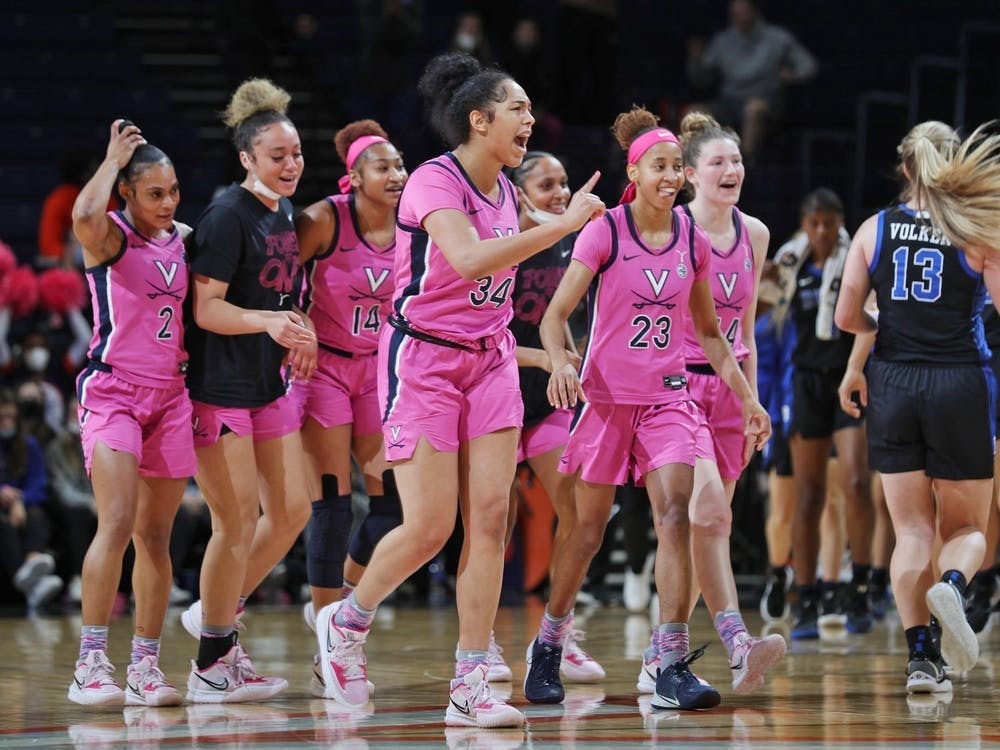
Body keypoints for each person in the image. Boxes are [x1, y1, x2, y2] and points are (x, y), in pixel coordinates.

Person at [314, 52, 604, 728]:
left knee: (493, 522)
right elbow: (470, 256)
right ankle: (347, 624)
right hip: (425, 361)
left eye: (530, 111)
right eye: (518, 109)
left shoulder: (508, 189)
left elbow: (528, 232)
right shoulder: (432, 184)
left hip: (492, 358)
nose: (530, 119)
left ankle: (471, 680)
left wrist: (586, 220)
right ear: (479, 120)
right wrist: (564, 224)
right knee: (428, 527)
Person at [522, 105, 770, 711]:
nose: (670, 177)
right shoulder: (605, 229)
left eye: (676, 168)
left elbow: (712, 334)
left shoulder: (691, 237)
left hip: (668, 399)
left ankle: (669, 661)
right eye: (658, 167)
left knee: (677, 516)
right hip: (606, 401)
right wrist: (559, 362)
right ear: (635, 171)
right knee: (584, 533)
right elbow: (556, 316)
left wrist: (749, 399)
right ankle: (549, 643)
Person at [835, 120, 1000, 694]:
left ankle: (922, 661)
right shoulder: (976, 229)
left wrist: (888, 327)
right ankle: (952, 586)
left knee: (910, 530)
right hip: (959, 380)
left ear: (905, 168)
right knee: (969, 526)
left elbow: (845, 319)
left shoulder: (872, 229)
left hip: (894, 382)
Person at [182, 79, 316, 703]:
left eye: (295, 154)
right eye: (276, 157)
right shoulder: (226, 216)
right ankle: (212, 659)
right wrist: (266, 321)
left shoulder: (284, 211)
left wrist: (300, 328)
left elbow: (280, 296)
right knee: (234, 525)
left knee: (290, 515)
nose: (290, 165)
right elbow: (205, 308)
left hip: (269, 385)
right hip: (221, 389)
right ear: (247, 159)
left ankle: (216, 611)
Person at [67, 119, 192, 706]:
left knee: (156, 538)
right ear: (128, 194)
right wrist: (113, 159)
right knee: (115, 524)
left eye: (172, 192)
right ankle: (91, 662)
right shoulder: (110, 235)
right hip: (115, 392)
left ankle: (145, 665)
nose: (166, 203)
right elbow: (81, 216)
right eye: (154, 193)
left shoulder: (183, 238)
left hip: (171, 397)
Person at [293, 118, 407, 691]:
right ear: (353, 177)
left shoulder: (416, 227)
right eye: (383, 167)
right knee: (334, 505)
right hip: (325, 367)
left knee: (393, 511)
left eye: (400, 166)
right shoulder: (322, 220)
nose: (396, 175)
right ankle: (326, 644)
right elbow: (276, 279)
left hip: (380, 373)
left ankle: (342, 613)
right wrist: (294, 328)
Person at [675, 111, 786, 692]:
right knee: (709, 514)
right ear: (691, 174)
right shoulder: (671, 228)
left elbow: (744, 330)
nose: (731, 170)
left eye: (736, 160)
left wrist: (753, 401)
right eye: (717, 161)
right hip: (678, 388)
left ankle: (660, 656)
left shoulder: (757, 234)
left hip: (731, 392)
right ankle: (738, 644)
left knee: (709, 526)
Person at [761, 188, 874, 639]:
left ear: (841, 222)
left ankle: (858, 589)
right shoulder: (789, 263)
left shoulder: (856, 261)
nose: (823, 231)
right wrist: (761, 282)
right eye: (815, 223)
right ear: (804, 225)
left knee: (856, 484)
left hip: (847, 378)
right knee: (806, 497)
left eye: (830, 223)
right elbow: (757, 309)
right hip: (805, 383)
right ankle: (805, 597)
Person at [507, 150, 603, 683]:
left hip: (547, 397)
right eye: (548, 185)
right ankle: (481, 646)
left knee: (578, 511)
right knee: (492, 525)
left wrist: (570, 360)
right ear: (519, 192)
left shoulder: (568, 241)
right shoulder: (502, 243)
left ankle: (558, 636)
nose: (561, 194)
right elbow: (485, 334)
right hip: (496, 392)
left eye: (565, 183)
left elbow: (561, 319)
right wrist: (544, 357)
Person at [686, 0, 816, 162]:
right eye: (735, 13)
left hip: (765, 102)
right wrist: (696, 61)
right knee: (694, 112)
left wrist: (791, 75)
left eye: (744, 11)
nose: (740, 17)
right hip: (729, 101)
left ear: (755, 11)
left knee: (753, 109)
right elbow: (702, 80)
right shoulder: (723, 41)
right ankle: (698, 166)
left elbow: (808, 65)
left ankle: (744, 165)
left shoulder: (778, 38)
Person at [0, 389, 60, 610]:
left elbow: (40, 483)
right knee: (4, 527)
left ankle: (33, 562)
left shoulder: (29, 444)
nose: (7, 423)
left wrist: (20, 500)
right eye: (2, 418)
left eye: (11, 418)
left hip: (23, 506)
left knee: (36, 516)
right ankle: (34, 585)